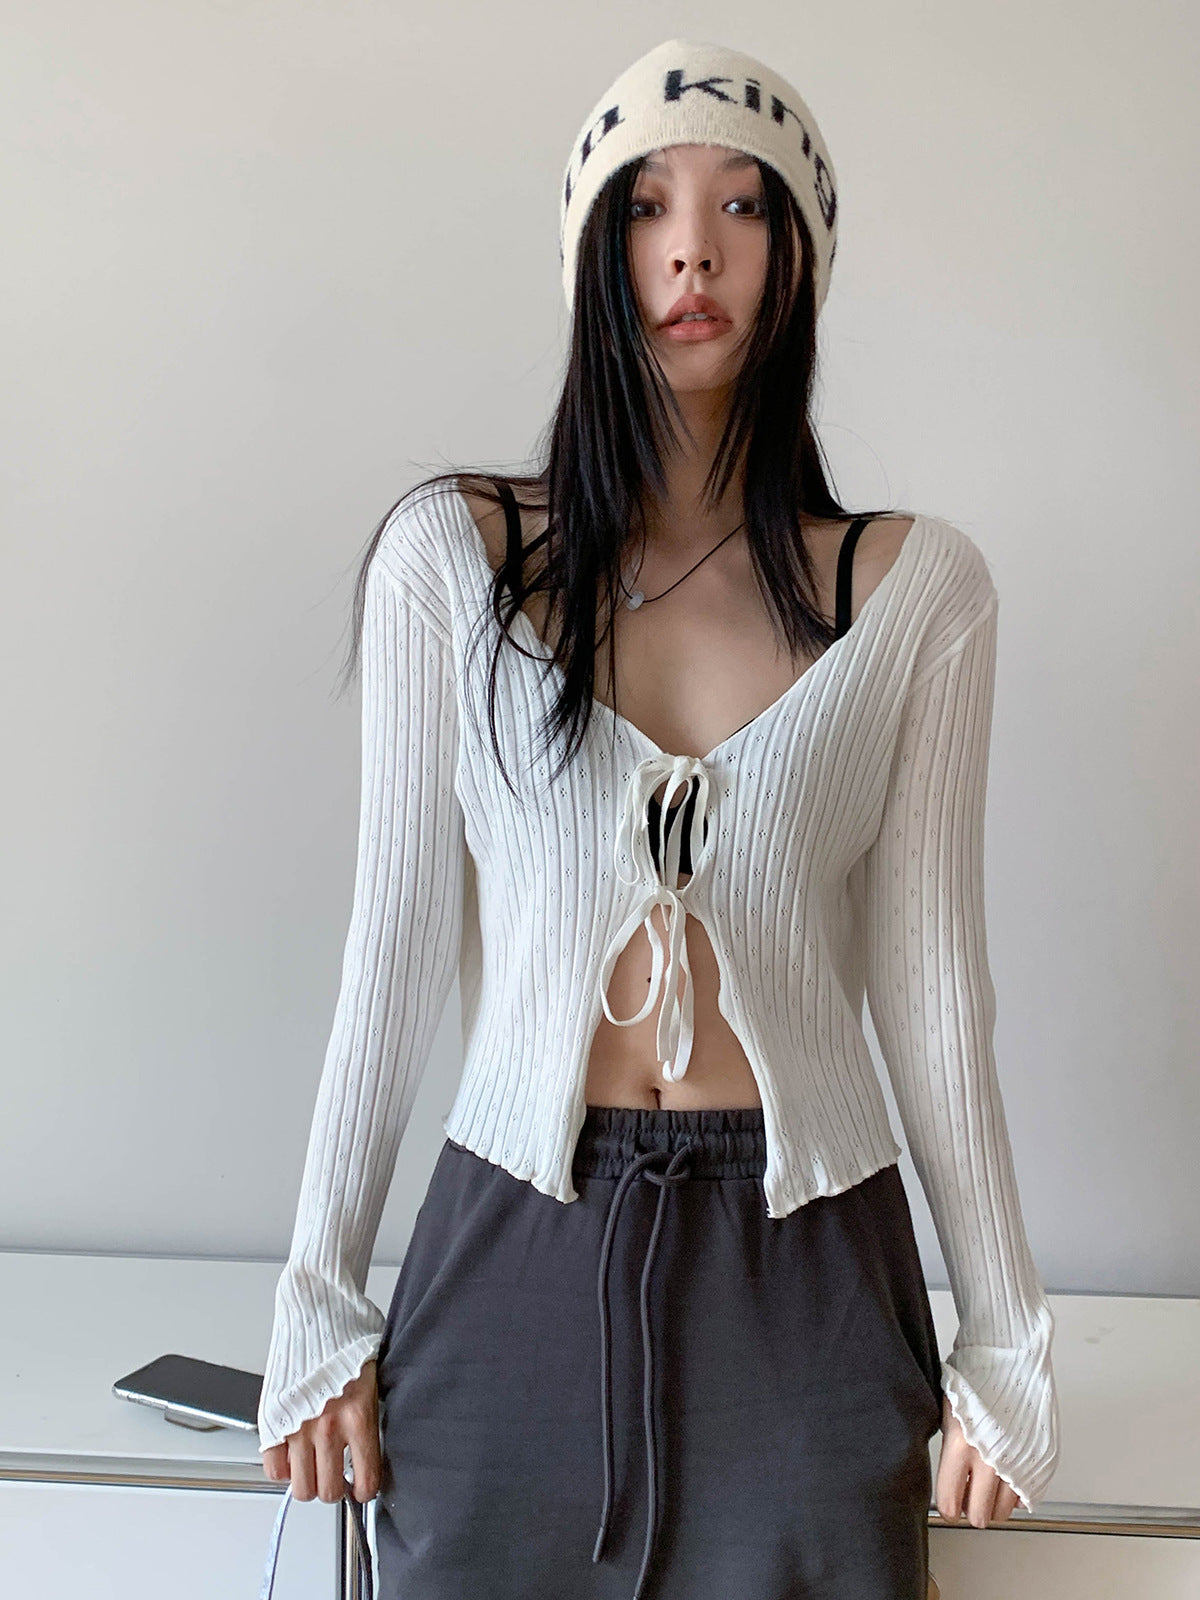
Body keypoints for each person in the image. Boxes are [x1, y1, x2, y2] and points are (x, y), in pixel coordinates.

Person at [256, 37, 1060, 1600]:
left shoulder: (917, 594)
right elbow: (394, 950)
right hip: (513, 1249)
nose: (694, 250)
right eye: (647, 206)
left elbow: (933, 991)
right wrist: (319, 1303)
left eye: (745, 206)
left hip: (809, 1270)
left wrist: (1006, 1343)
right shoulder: (451, 565)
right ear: (593, 251)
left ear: (799, 259)